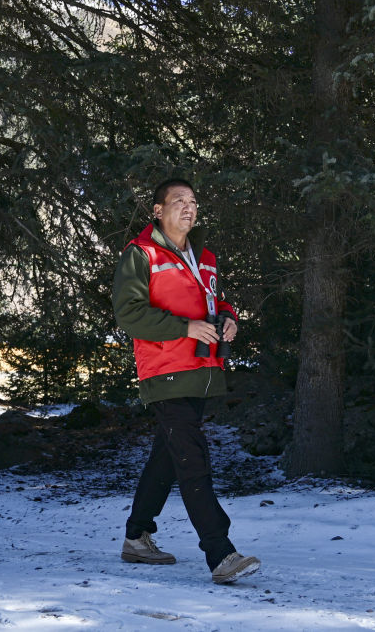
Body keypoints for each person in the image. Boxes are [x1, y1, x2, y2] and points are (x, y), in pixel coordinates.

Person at [113, 178, 260, 584]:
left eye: (193, 201)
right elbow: (128, 313)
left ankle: (136, 536)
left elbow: (215, 299)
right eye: (178, 201)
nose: (189, 207)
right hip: (165, 371)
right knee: (192, 459)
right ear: (157, 211)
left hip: (200, 370)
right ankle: (220, 552)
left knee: (167, 454)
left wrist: (228, 318)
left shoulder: (204, 255)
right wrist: (185, 328)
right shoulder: (140, 254)